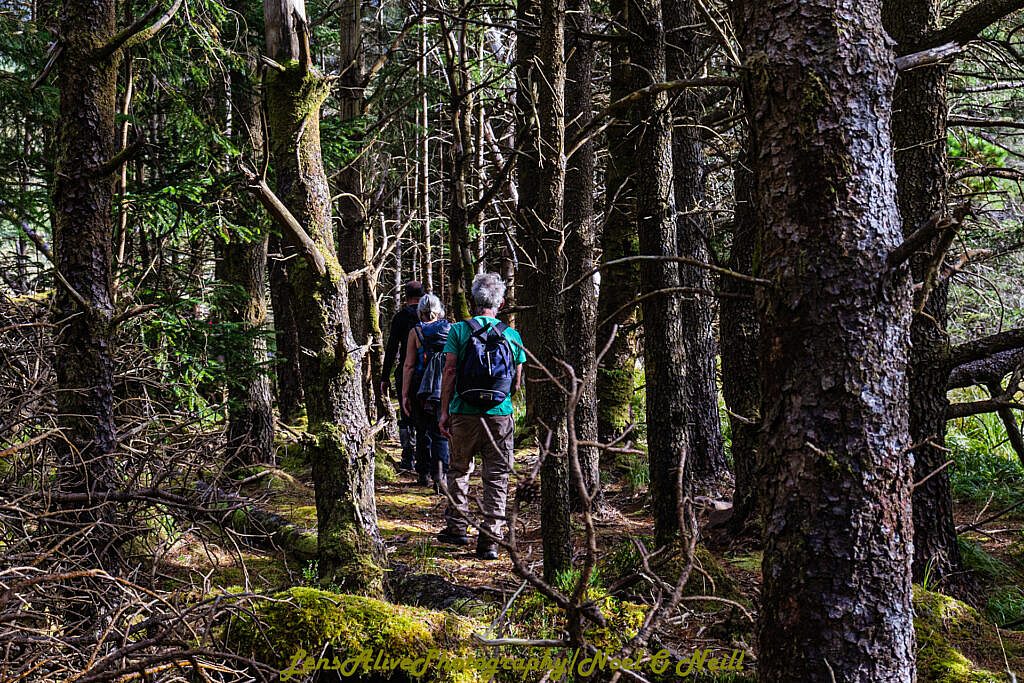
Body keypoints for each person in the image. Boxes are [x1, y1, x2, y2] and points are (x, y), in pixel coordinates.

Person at [436, 272, 526, 560]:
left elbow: (450, 372)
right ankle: (490, 539)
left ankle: (457, 528)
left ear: (474, 300)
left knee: (459, 469)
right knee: (497, 476)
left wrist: (444, 411)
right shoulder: (512, 336)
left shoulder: (459, 331)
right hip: (500, 415)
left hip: (463, 411)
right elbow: (516, 382)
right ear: (500, 303)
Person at [401, 293, 451, 491]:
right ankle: (441, 475)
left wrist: (404, 393)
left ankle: (423, 473)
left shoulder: (416, 332)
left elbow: (409, 365)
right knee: (442, 430)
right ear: (439, 311)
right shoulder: (450, 329)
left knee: (422, 429)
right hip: (444, 385)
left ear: (420, 312)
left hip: (420, 387)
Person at [382, 281, 423, 470]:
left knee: (406, 414)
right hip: (429, 374)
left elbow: (391, 348)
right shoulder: (433, 316)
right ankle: (426, 461)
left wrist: (384, 377)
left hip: (405, 373)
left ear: (406, 297)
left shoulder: (401, 317)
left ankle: (408, 458)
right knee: (427, 416)